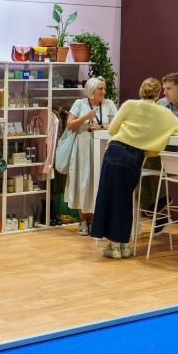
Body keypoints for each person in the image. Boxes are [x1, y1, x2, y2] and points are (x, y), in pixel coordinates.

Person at [91, 78, 178, 259]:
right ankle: (124, 245)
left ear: (141, 90)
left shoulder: (130, 105)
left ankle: (114, 247)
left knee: (110, 198)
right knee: (126, 200)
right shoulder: (163, 113)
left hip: (116, 152)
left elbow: (112, 131)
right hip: (136, 158)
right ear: (158, 94)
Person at [140, 71, 178, 214]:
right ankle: (153, 207)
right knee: (140, 158)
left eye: (168, 89)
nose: (164, 93)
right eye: (164, 89)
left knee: (152, 158)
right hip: (165, 151)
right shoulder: (162, 103)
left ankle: (157, 205)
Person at [65, 77, 118, 236]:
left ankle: (95, 219)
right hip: (82, 148)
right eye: (100, 89)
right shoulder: (79, 103)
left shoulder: (109, 104)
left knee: (97, 181)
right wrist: (85, 118)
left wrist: (100, 126)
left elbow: (117, 124)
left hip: (102, 147)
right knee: (83, 181)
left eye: (104, 88)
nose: (104, 91)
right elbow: (69, 125)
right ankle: (82, 220)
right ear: (91, 90)